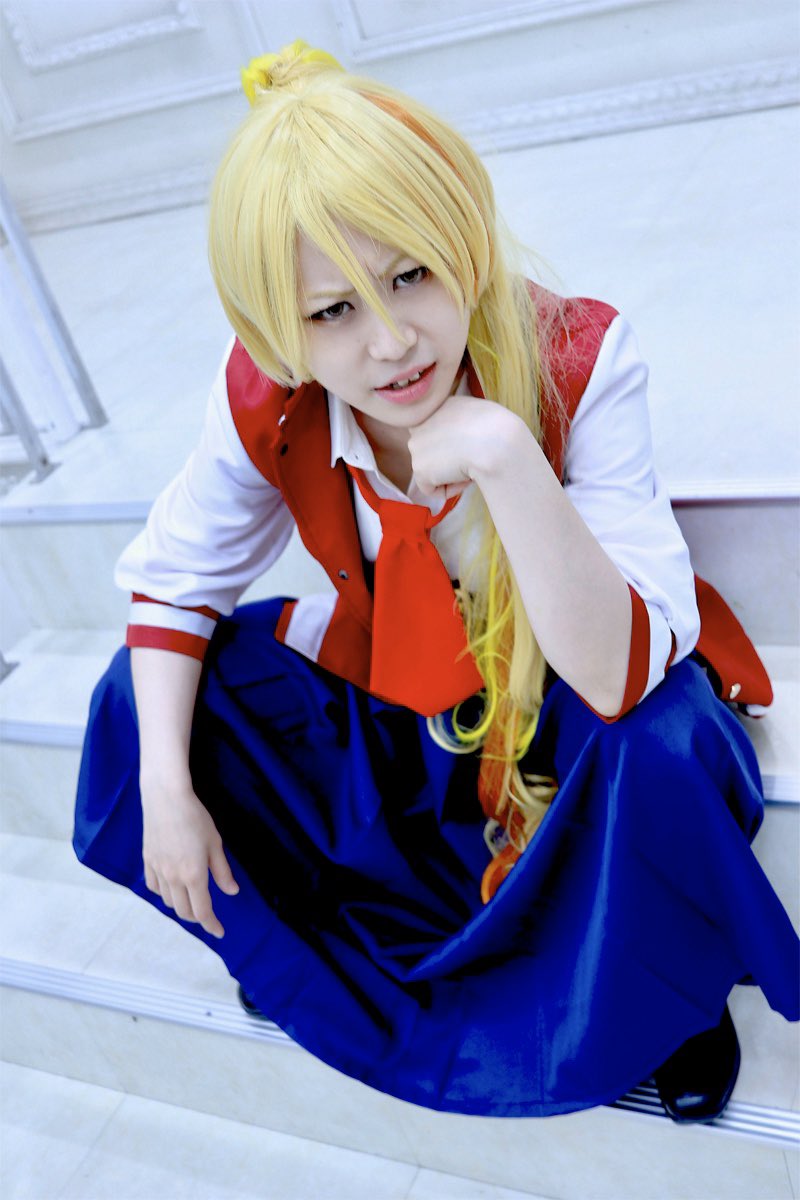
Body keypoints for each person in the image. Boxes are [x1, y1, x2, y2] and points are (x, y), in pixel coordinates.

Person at [74, 40, 799, 1122]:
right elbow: (175, 583)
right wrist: (170, 795)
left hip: (567, 693)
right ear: (278, 331)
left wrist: (506, 455)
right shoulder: (272, 396)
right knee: (148, 706)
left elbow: (612, 673)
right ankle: (317, 951)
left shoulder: (580, 357)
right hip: (418, 697)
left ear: (461, 239)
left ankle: (665, 1003)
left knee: (662, 741)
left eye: (410, 274)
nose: (391, 344)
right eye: (332, 312)